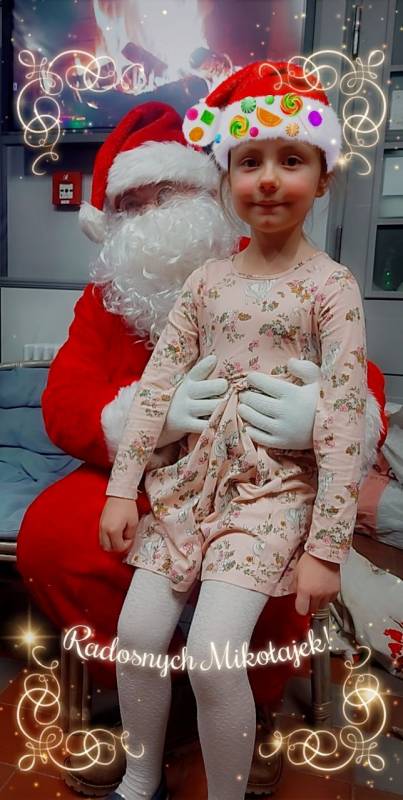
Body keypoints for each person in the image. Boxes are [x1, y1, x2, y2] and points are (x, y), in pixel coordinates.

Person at [99, 61, 368, 800]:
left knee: (214, 656)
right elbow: (157, 385)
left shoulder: (331, 287)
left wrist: (326, 550)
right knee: (137, 639)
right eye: (250, 162)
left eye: (291, 160)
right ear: (226, 177)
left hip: (271, 497)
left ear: (322, 176)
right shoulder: (206, 282)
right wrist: (123, 488)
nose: (269, 180)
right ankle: (140, 782)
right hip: (188, 487)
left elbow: (345, 419)